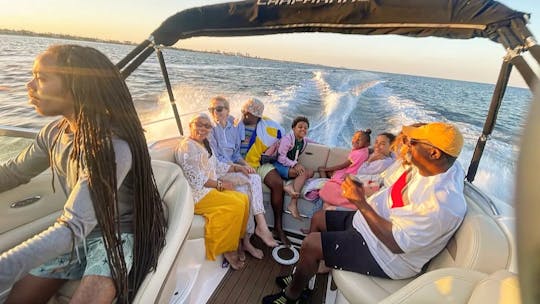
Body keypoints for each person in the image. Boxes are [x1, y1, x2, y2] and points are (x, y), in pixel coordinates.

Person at [0, 45, 167, 304]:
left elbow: (73, 227)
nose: (29, 85)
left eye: (41, 78)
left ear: (77, 86)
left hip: (118, 236)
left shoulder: (111, 146)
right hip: (79, 232)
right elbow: (13, 172)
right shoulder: (54, 133)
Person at [262, 122, 467, 304]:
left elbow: (395, 243)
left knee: (311, 243)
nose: (408, 146)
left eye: (414, 143)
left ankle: (293, 296)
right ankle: (304, 275)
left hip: (385, 255)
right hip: (368, 226)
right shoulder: (440, 166)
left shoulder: (440, 203)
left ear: (434, 153)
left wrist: (360, 202)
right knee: (318, 218)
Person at [175, 113, 251, 269]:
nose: (203, 128)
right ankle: (228, 249)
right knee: (235, 205)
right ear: (190, 126)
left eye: (207, 126)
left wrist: (238, 167)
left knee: (243, 199)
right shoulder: (187, 146)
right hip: (197, 194)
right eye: (199, 124)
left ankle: (236, 240)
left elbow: (217, 166)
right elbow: (195, 179)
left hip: (209, 189)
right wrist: (220, 185)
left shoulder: (205, 144)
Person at [207, 96, 278, 258]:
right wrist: (238, 168)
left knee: (249, 186)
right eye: (211, 110)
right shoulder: (210, 130)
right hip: (221, 171)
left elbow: (236, 153)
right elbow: (216, 159)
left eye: (218, 109)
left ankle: (247, 239)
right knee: (250, 182)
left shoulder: (235, 125)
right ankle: (260, 228)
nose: (214, 113)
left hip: (234, 167)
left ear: (227, 110)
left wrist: (245, 165)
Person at [239, 98, 292, 245]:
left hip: (259, 163)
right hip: (241, 164)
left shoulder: (270, 128)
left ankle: (278, 228)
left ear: (258, 116)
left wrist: (270, 154)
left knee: (277, 183)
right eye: (244, 112)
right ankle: (253, 230)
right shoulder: (234, 125)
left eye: (249, 114)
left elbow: (282, 140)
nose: (245, 116)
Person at [321, 132, 396, 209]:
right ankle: (332, 203)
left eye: (382, 144)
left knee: (329, 187)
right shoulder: (392, 156)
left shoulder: (382, 163)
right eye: (376, 142)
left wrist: (369, 160)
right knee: (331, 185)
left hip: (365, 185)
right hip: (365, 182)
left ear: (392, 147)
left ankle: (335, 203)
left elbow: (360, 171)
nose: (377, 146)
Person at [318, 129, 371, 209]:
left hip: (348, 174)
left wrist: (325, 169)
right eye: (354, 137)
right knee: (330, 173)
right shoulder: (365, 150)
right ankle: (326, 178)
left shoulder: (357, 154)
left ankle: (324, 181)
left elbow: (342, 166)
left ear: (366, 144)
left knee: (325, 171)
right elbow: (370, 149)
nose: (355, 141)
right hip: (352, 171)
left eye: (359, 140)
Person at [273, 116, 315, 219]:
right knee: (302, 173)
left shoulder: (303, 140)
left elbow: (316, 143)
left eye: (305, 128)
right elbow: (280, 158)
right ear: (293, 128)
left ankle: (289, 186)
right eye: (300, 127)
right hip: (279, 165)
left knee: (311, 172)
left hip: (289, 166)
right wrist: (295, 164)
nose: (303, 129)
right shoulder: (287, 139)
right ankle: (293, 204)